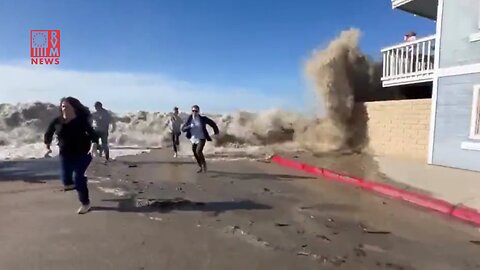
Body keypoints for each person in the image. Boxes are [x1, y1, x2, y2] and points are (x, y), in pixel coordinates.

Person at [44, 97, 99, 214]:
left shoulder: (81, 121)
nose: (64, 109)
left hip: (84, 153)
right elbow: (49, 132)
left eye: (67, 107)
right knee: (67, 182)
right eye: (63, 106)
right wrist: (47, 144)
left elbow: (94, 135)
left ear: (74, 108)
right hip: (65, 154)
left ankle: (85, 203)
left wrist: (94, 145)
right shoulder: (57, 121)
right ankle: (78, 184)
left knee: (78, 178)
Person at [182, 105, 219, 173]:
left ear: (198, 111)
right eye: (193, 111)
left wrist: (216, 131)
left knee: (198, 151)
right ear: (191, 111)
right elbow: (183, 129)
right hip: (193, 139)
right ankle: (200, 166)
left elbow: (212, 123)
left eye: (196, 111)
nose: (194, 112)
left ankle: (204, 165)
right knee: (195, 153)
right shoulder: (189, 119)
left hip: (202, 138)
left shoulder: (203, 119)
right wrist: (189, 126)